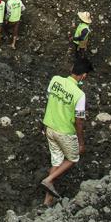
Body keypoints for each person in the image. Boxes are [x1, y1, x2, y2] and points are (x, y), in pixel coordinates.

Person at [40, 59, 93, 206]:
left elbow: (50, 99)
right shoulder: (79, 95)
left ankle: (47, 200)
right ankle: (48, 180)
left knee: (56, 161)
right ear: (84, 76)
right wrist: (81, 142)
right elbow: (79, 121)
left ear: (71, 68)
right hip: (64, 131)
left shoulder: (55, 80)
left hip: (49, 127)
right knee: (73, 158)